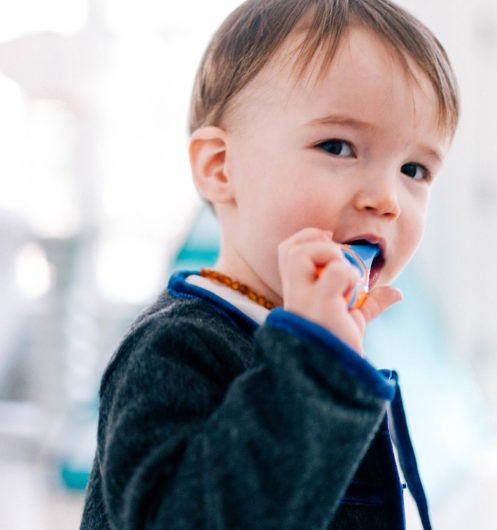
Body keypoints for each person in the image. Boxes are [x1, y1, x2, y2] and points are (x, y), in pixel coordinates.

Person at [80, 0, 459, 528]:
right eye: (338, 146)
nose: (387, 198)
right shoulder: (175, 348)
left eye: (415, 169)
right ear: (221, 168)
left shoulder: (331, 349)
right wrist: (313, 365)